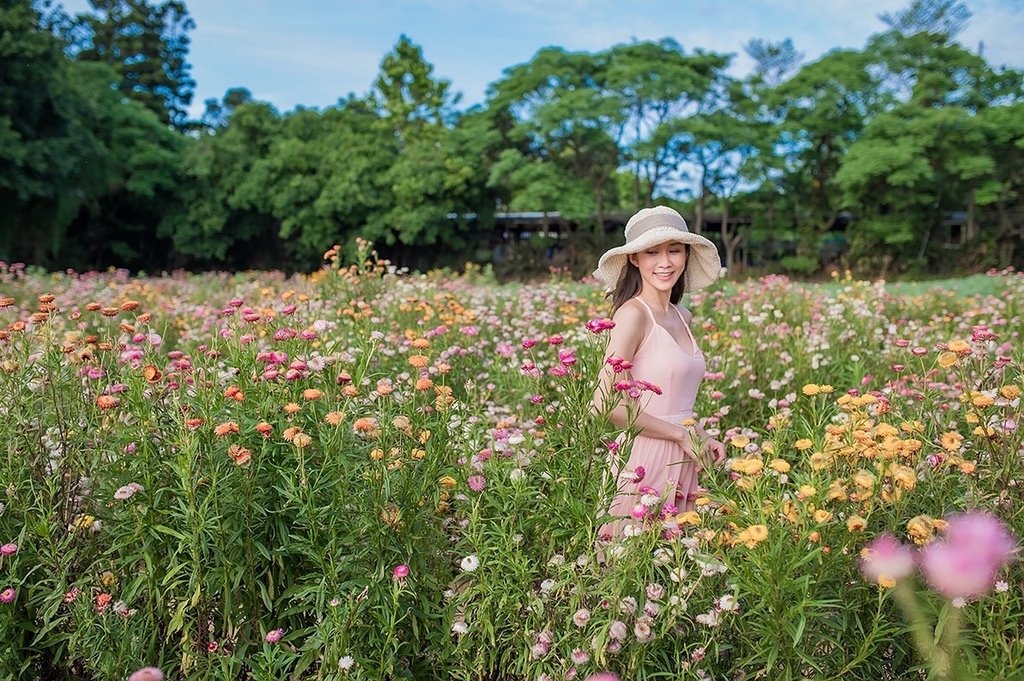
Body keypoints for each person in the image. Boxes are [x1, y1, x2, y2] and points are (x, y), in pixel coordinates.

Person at [591, 205, 726, 539]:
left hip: (683, 460)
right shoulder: (633, 315)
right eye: (652, 252)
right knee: (630, 569)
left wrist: (700, 435)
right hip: (642, 460)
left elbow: (677, 404)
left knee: (673, 571)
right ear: (635, 259)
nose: (665, 262)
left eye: (674, 251)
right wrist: (682, 435)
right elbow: (605, 405)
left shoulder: (683, 316)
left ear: (686, 255)